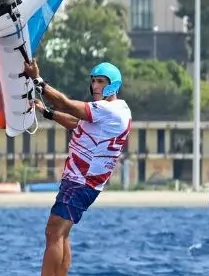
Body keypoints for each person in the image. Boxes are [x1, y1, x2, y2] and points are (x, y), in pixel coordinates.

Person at [26, 59, 133, 276]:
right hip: (84, 182)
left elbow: (65, 103)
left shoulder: (107, 110)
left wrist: (37, 80)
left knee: (53, 232)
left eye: (101, 82)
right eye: (93, 81)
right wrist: (47, 113)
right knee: (62, 234)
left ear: (114, 84)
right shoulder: (119, 110)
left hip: (81, 181)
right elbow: (77, 124)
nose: (95, 86)